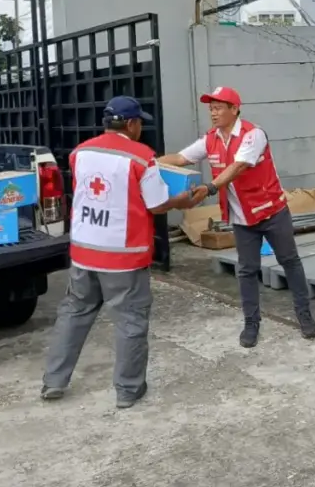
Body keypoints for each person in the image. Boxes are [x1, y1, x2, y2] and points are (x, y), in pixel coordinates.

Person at [41, 96, 198, 409]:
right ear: (131, 124)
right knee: (130, 321)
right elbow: (157, 204)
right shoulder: (142, 157)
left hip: (84, 252)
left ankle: (53, 381)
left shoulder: (80, 152)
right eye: (139, 123)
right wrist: (183, 201)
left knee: (74, 314)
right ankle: (128, 390)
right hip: (123, 256)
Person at [158, 86, 315, 348]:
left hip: (271, 212)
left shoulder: (253, 135)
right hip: (243, 218)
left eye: (219, 108)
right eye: (211, 108)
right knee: (246, 271)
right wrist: (149, 163)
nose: (213, 113)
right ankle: (251, 323)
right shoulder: (210, 140)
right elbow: (180, 158)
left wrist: (210, 188)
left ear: (234, 109)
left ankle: (305, 315)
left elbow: (239, 165)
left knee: (290, 262)